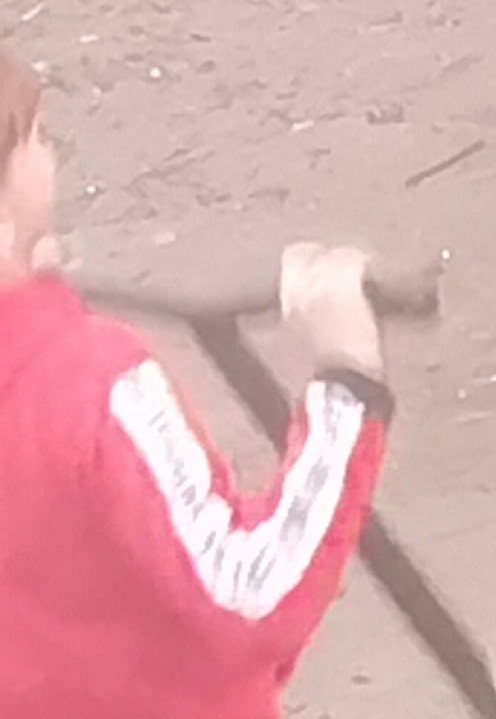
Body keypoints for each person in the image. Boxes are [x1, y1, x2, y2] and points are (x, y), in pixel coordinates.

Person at [0, 47, 393, 718]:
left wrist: (31, 290)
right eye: (36, 139)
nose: (48, 155)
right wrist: (348, 388)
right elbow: (250, 594)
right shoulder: (94, 387)